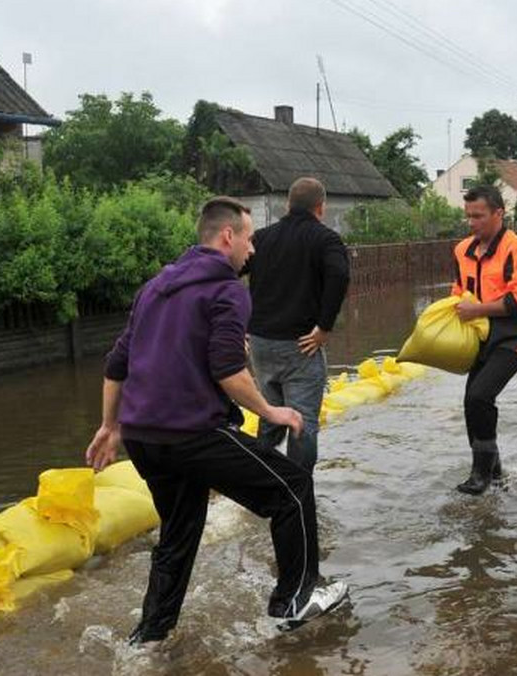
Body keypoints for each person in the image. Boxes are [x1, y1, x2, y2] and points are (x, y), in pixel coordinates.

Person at [84, 196, 348, 644]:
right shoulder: (227, 289)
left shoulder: (156, 285)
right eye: (248, 237)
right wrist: (271, 411)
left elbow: (117, 363)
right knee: (292, 489)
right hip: (193, 434)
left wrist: (111, 426)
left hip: (145, 440)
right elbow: (227, 368)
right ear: (228, 236)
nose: (252, 249)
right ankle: (295, 600)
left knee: (179, 534)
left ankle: (149, 638)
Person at [242, 177, 350, 471]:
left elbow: (229, 269)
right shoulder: (326, 239)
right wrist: (324, 327)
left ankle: (259, 478)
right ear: (321, 207)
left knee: (270, 414)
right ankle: (298, 489)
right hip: (301, 345)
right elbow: (339, 276)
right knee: (302, 421)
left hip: (261, 344)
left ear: (288, 205)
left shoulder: (261, 239)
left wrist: (239, 324)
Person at [450, 185, 517, 495]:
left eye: (478, 216)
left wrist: (477, 309)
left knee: (480, 396)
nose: (472, 223)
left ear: (499, 214)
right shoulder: (462, 250)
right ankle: (496, 472)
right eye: (468, 216)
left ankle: (481, 474)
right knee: (470, 402)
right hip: (481, 336)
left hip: (516, 335)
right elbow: (459, 288)